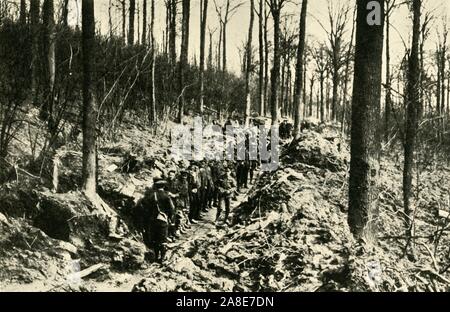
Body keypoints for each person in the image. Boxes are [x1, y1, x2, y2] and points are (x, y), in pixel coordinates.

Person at [138, 178, 175, 264]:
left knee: (154, 239)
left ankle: (155, 257)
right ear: (164, 186)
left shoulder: (150, 195)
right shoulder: (166, 196)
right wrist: (171, 219)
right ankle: (162, 258)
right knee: (162, 239)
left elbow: (143, 206)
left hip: (152, 220)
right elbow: (171, 209)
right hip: (162, 219)